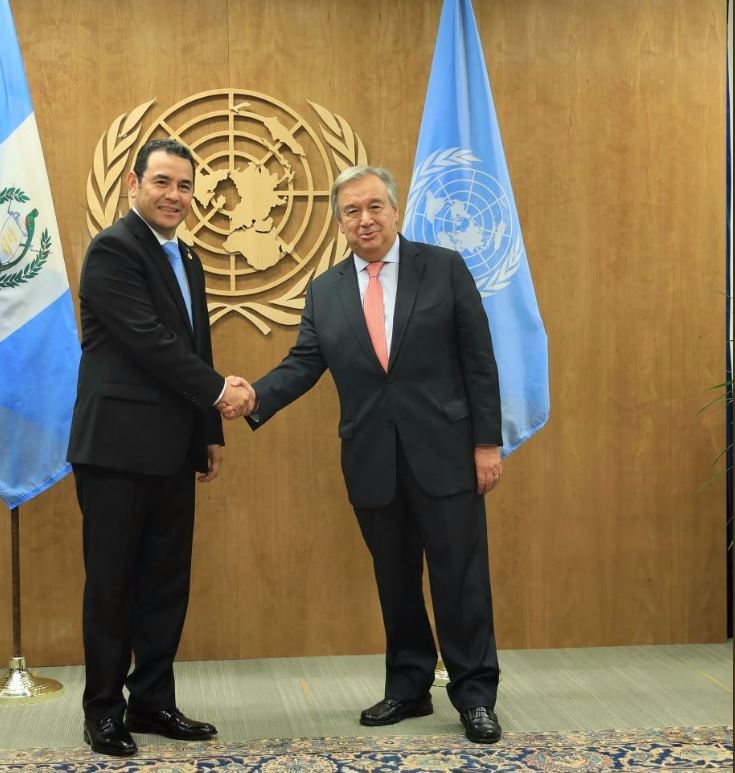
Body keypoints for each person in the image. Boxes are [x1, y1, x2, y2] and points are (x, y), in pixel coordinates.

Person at [232, 165, 504, 744]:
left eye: (375, 207)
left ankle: (475, 694)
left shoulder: (445, 268)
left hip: (448, 454)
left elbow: (479, 359)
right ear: (339, 223)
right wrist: (255, 395)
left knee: (460, 579)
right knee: (395, 580)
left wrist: (486, 444)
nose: (365, 219)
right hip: (373, 459)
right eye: (352, 211)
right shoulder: (326, 289)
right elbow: (305, 363)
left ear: (396, 211)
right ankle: (408, 689)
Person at [68, 138, 254, 757]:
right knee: (114, 583)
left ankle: (151, 701)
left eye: (183, 186)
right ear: (132, 183)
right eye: (162, 183)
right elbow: (147, 341)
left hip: (174, 449)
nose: (174, 196)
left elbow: (194, 346)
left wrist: (209, 431)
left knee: (167, 581)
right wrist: (219, 391)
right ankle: (103, 711)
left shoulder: (190, 258)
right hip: (117, 451)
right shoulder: (112, 251)